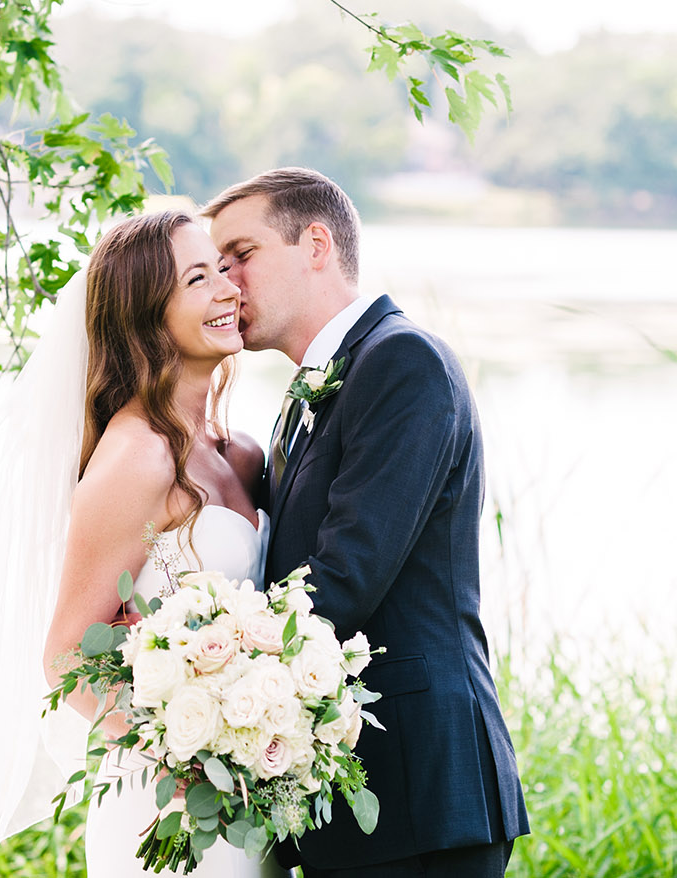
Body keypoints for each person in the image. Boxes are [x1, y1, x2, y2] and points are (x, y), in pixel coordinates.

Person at [0, 210, 285, 878]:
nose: (228, 289)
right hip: (168, 811)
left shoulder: (241, 451)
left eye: (223, 269)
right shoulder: (137, 457)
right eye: (198, 279)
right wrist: (188, 759)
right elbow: (66, 653)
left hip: (251, 800)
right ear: (146, 316)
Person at [206, 168, 531, 878]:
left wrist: (201, 683)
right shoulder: (308, 392)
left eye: (241, 254)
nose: (226, 280)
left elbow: (343, 578)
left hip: (418, 794)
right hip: (349, 800)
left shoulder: (402, 361)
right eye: (215, 264)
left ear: (316, 243)